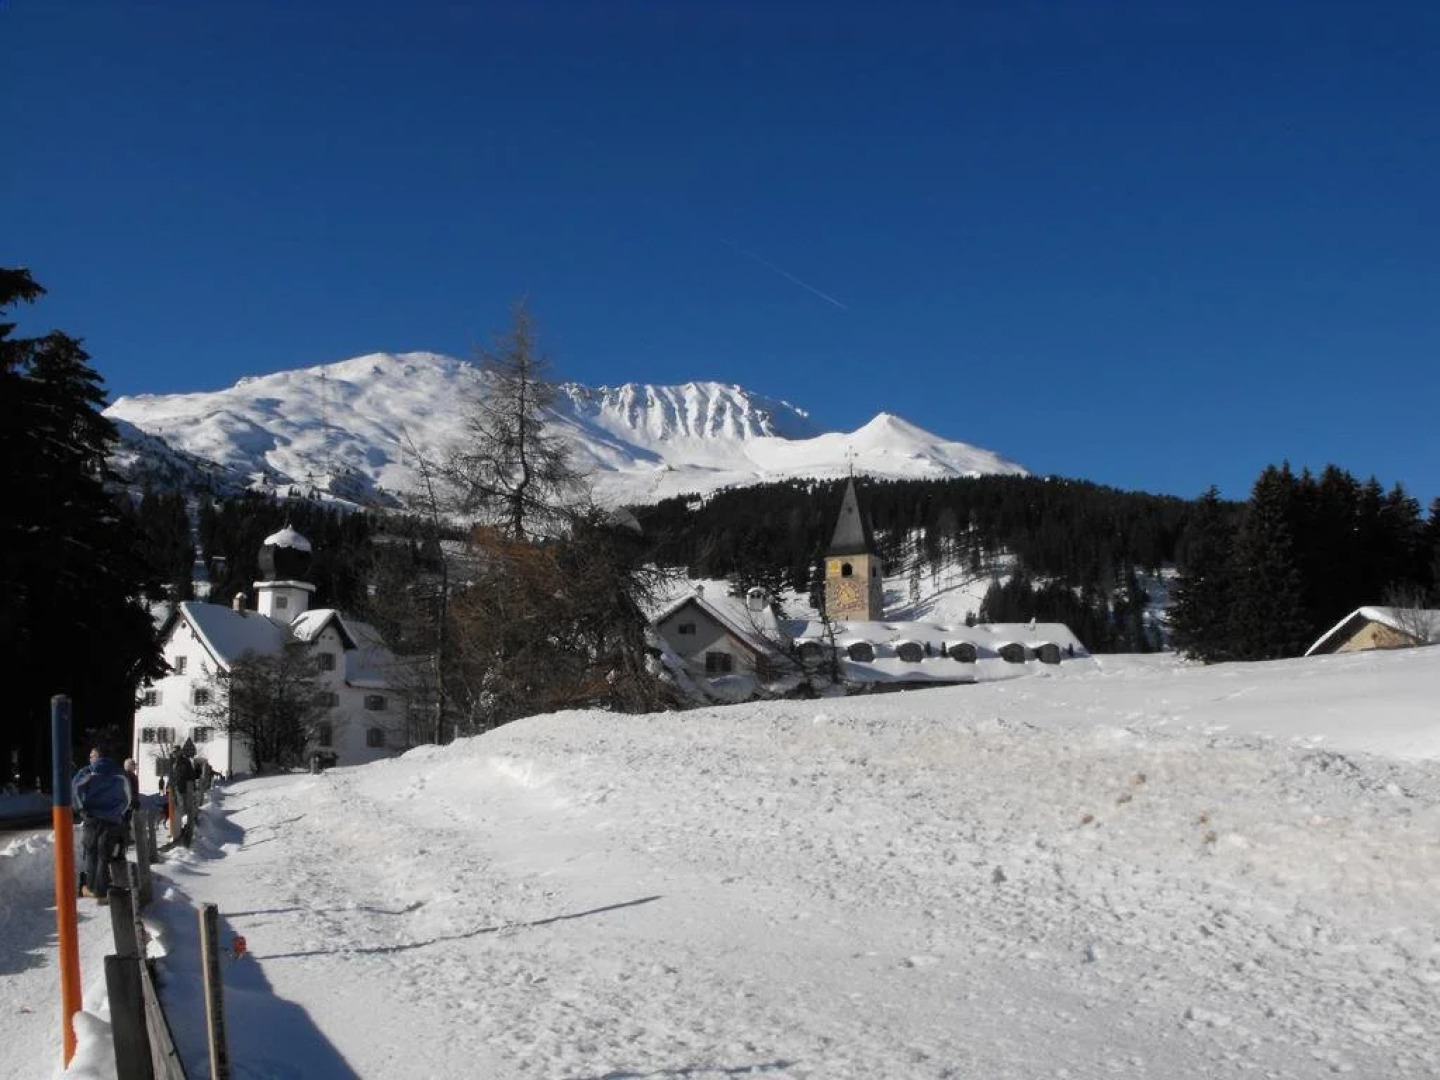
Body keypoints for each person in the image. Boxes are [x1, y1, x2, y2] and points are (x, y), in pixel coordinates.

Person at [72, 746, 132, 904]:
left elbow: (75, 789)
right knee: (104, 853)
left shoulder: (88, 771)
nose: (90, 759)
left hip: (92, 818)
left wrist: (81, 809)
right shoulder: (120, 773)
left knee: (92, 852)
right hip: (113, 819)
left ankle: (92, 888)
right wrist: (119, 812)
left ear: (98, 757)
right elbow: (128, 798)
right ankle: (102, 889)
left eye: (92, 756)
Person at [168, 744, 197, 845]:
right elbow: (171, 776)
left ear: (180, 752)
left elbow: (191, 775)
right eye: (173, 752)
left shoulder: (185, 762)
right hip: (174, 789)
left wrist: (192, 788)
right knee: (174, 810)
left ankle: (182, 832)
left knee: (182, 810)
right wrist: (168, 786)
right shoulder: (172, 762)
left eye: (176, 752)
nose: (174, 753)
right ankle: (175, 833)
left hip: (183, 789)